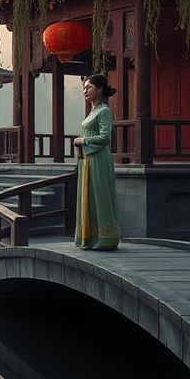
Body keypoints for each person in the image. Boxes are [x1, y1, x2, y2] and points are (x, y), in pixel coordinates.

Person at [71, 74, 121, 250]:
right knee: (89, 198)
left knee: (99, 197)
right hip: (87, 160)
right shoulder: (93, 111)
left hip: (99, 160)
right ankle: (90, 237)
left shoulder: (104, 111)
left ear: (99, 89)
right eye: (84, 88)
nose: (84, 91)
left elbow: (105, 137)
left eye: (89, 87)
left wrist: (83, 140)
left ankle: (105, 239)